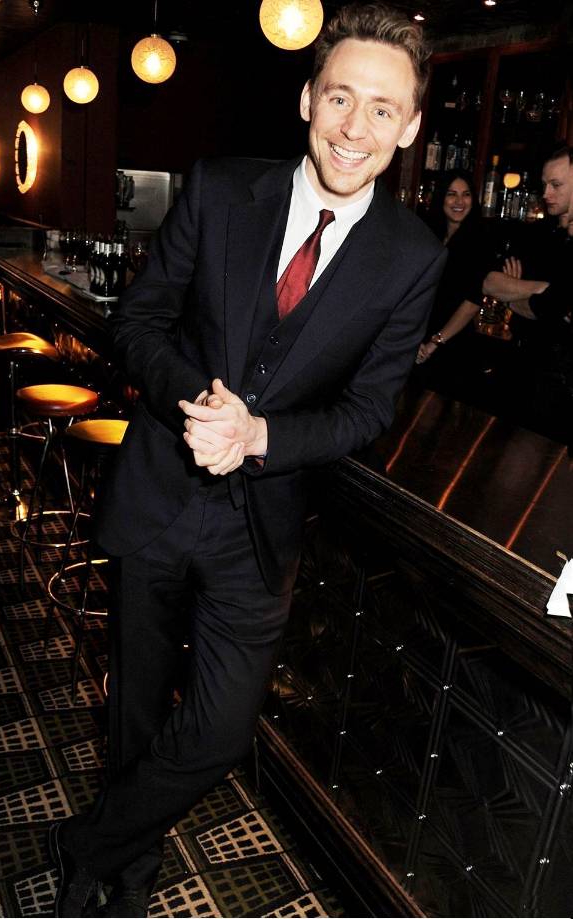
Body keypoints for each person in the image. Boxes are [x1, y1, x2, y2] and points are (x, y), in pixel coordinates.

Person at [48, 5, 446, 916]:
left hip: (260, 528)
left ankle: (87, 840)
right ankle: (125, 869)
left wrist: (259, 435)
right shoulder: (221, 187)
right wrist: (203, 404)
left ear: (410, 127)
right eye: (340, 97)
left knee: (221, 731)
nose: (355, 127)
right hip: (160, 487)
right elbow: (139, 321)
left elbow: (369, 408)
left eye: (382, 109)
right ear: (307, 98)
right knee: (135, 707)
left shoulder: (413, 256)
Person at [482, 143, 573, 440]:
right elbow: (489, 282)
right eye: (545, 184)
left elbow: (545, 309)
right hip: (521, 367)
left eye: (556, 185)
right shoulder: (540, 234)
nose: (546, 193)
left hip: (560, 384)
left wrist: (518, 295)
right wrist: (541, 289)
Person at [414, 169, 494, 401]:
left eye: (466, 194)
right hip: (421, 338)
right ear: (442, 198)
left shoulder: (479, 241)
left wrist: (435, 342)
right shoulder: (430, 235)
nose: (459, 201)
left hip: (453, 343)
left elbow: (472, 302)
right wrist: (414, 338)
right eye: (452, 194)